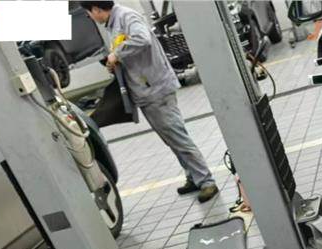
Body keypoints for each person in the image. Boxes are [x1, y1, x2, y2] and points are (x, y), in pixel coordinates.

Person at [80, 0, 219, 203]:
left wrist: (116, 54)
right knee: (171, 138)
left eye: (89, 13)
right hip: (146, 91)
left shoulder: (126, 16)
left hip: (156, 89)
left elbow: (142, 38)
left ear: (96, 9)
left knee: (177, 137)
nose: (90, 17)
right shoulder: (113, 23)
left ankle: (207, 182)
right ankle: (194, 176)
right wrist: (114, 61)